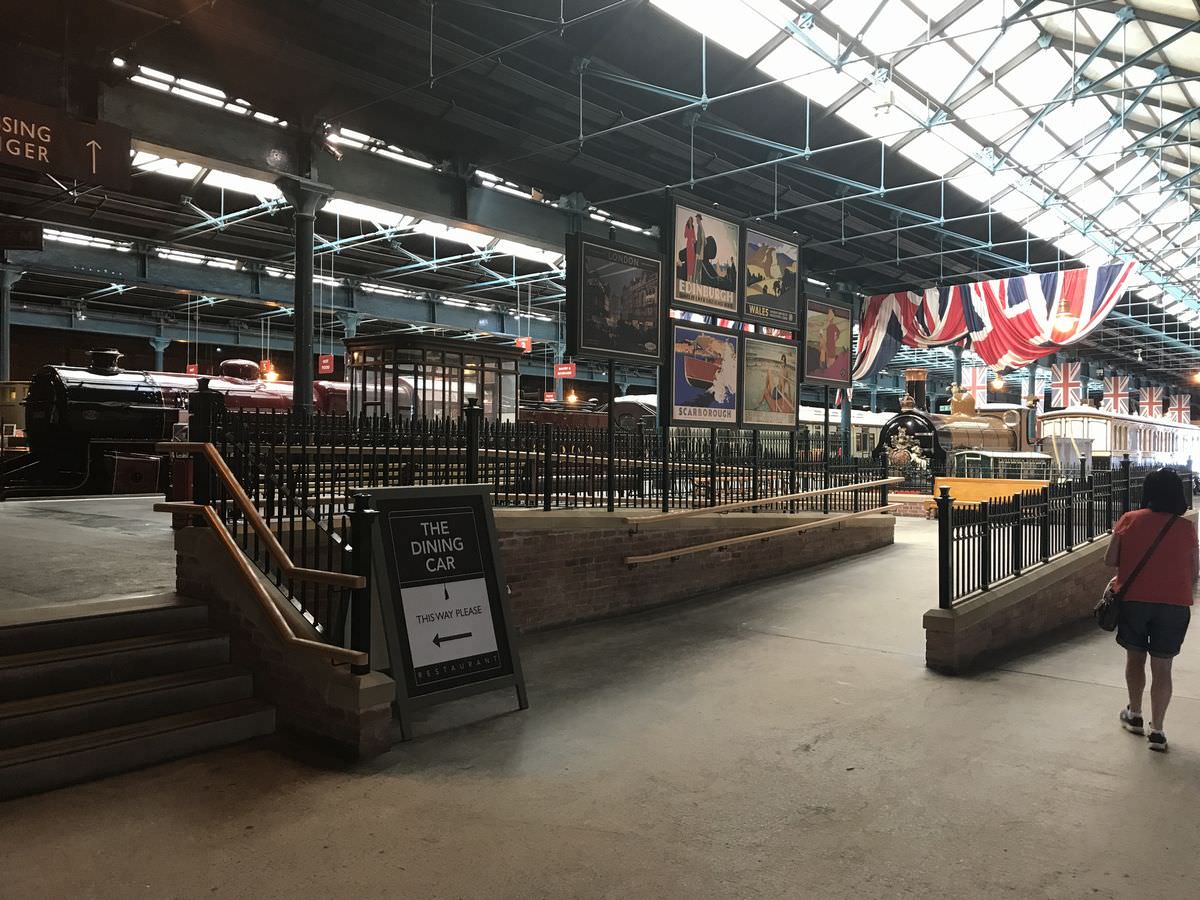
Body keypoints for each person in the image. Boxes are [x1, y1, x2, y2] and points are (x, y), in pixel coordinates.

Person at [1105, 468, 1198, 751]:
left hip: (1135, 601)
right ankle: (1157, 731)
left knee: (1135, 659)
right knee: (1163, 667)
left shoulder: (1129, 520)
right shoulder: (1186, 528)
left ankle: (1134, 714)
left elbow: (1110, 560)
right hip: (1174, 604)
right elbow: (1194, 572)